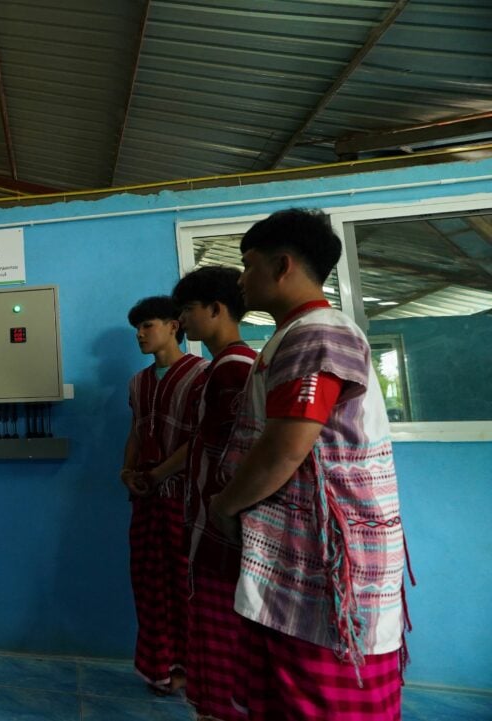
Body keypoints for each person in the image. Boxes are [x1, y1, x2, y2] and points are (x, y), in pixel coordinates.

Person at [210, 209, 410, 719]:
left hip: (322, 555)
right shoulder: (294, 334)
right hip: (296, 548)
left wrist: (225, 505)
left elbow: (286, 447)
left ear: (282, 266)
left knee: (320, 696)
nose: (241, 279)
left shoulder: (317, 334)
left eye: (248, 265)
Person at [172, 267, 257, 721]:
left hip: (225, 530)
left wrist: (225, 510)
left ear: (216, 310)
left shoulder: (234, 369)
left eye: (188, 309)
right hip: (209, 522)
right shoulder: (220, 368)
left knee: (226, 635)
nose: (182, 320)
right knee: (209, 629)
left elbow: (241, 455)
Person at [120, 295, 207, 694]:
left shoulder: (202, 374)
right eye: (136, 328)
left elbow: (201, 439)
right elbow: (137, 430)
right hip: (146, 500)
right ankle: (158, 668)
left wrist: (158, 474)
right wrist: (127, 471)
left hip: (185, 499)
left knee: (185, 584)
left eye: (147, 325)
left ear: (174, 326)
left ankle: (191, 671)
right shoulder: (137, 382)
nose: (140, 334)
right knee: (148, 583)